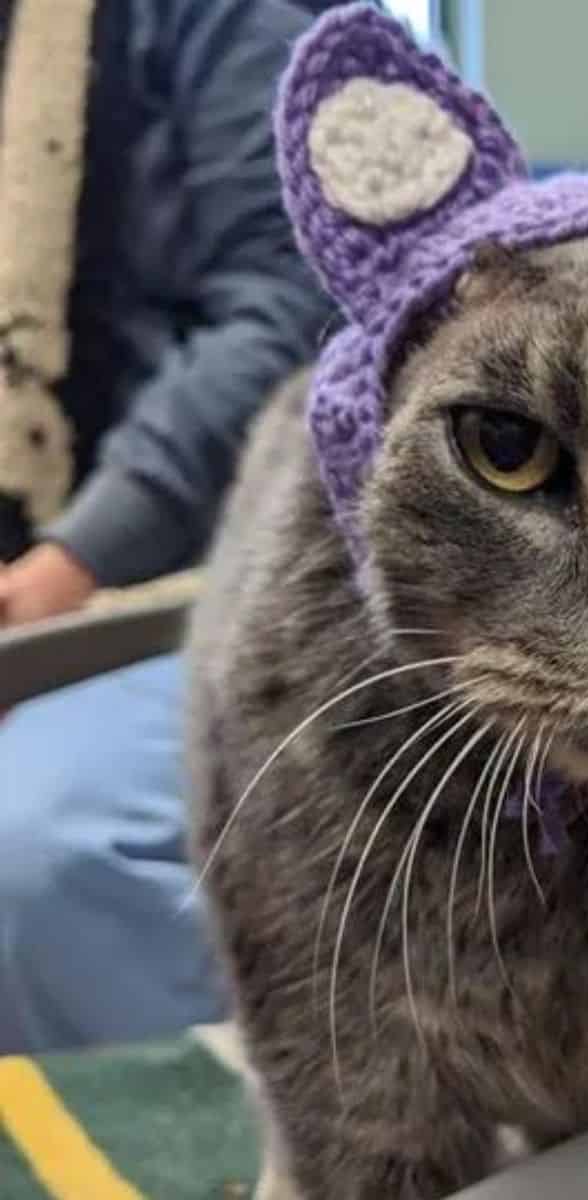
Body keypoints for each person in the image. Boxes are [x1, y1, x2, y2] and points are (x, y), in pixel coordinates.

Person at [0, 0, 331, 1053]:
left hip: (222, 568)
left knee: (45, 841)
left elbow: (286, 311)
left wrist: (74, 559)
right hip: (57, 559)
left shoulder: (227, 23)